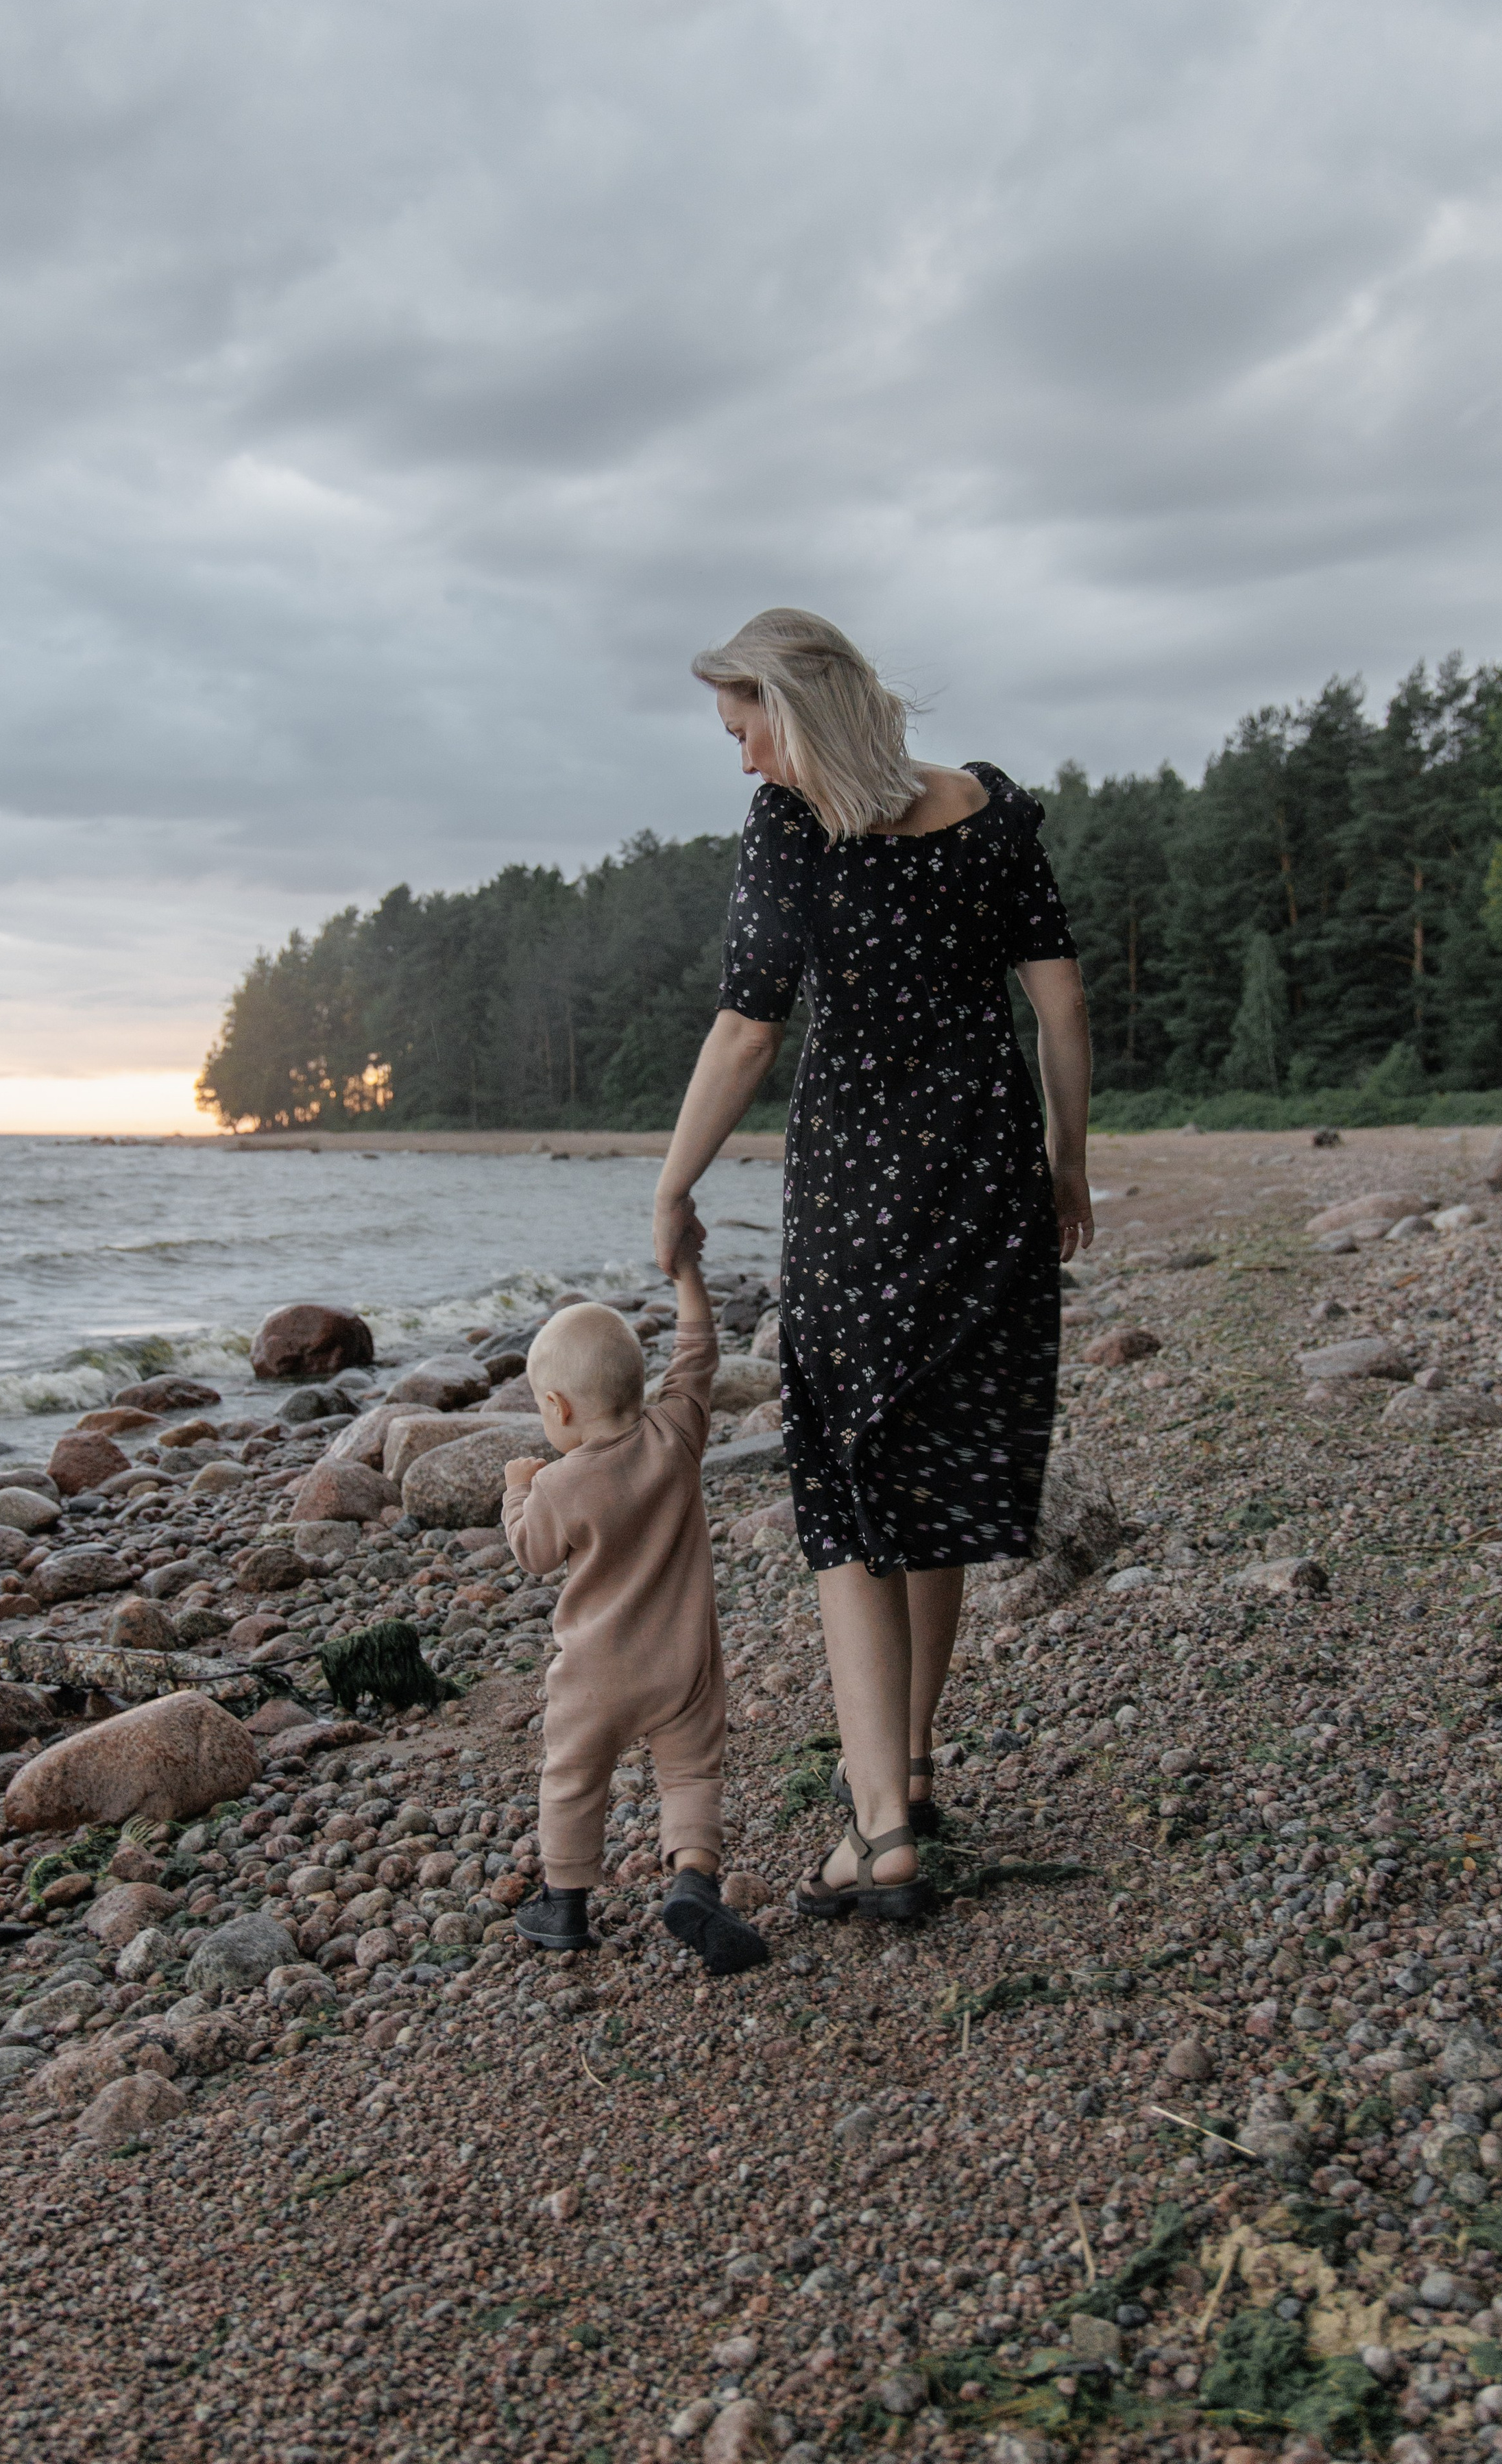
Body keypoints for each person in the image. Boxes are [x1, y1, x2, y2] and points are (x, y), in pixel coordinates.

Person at [653, 608, 1093, 1920]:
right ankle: (903, 1772)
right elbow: (1060, 1005)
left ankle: (884, 1830)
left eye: (744, 733)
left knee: (848, 1496)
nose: (742, 766)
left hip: (859, 1200)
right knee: (935, 1476)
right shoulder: (992, 812)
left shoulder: (798, 834)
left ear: (794, 709)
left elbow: (746, 1030)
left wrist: (674, 1182)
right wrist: (1069, 1161)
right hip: (989, 1184)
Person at [500, 1241, 771, 1976]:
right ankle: (694, 1882)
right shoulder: (675, 1432)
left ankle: (564, 1906)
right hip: (682, 1666)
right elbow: (699, 1354)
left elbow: (531, 1553)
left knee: (573, 1776)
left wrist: (519, 1486)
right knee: (690, 1776)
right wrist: (687, 1277)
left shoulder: (558, 1485)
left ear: (557, 1408)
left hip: (593, 1673)